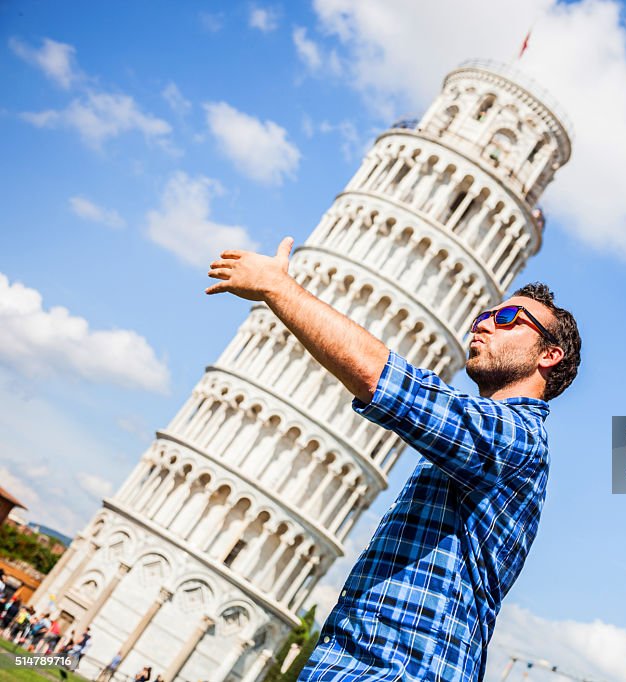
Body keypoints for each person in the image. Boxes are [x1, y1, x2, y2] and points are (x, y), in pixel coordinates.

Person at [206, 238, 581, 681]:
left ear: (549, 355)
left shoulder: (517, 438)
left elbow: (389, 383)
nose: (482, 326)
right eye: (482, 316)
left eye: (505, 319)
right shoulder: (478, 444)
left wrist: (279, 288)